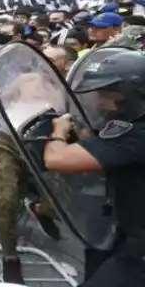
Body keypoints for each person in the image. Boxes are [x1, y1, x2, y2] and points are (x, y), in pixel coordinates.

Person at [42, 51, 145, 286]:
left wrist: (58, 130)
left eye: (106, 93)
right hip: (126, 228)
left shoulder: (136, 135)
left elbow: (56, 159)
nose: (98, 101)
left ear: (132, 92)